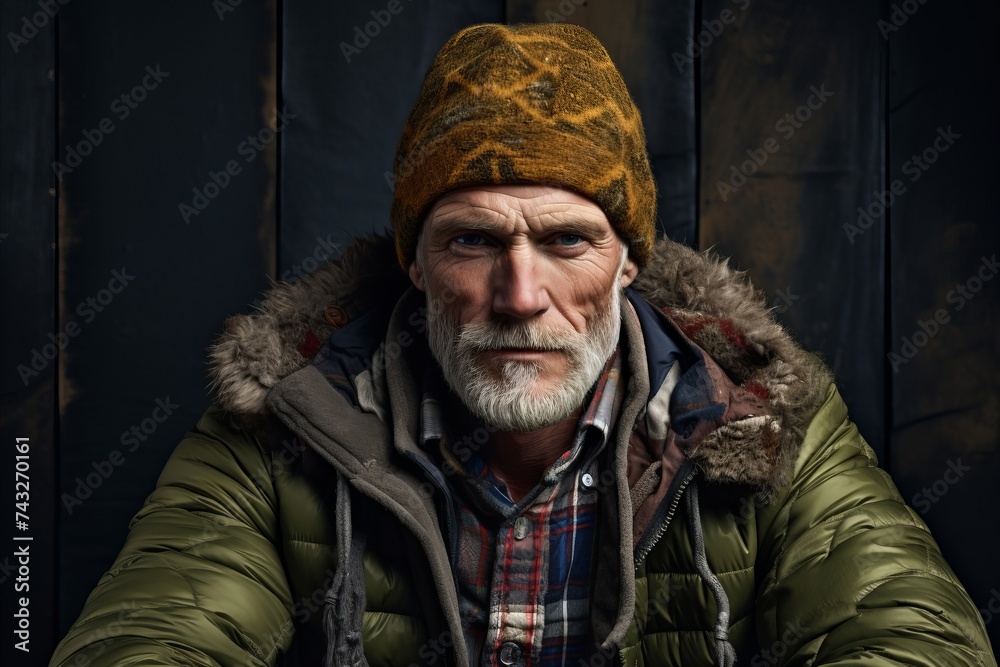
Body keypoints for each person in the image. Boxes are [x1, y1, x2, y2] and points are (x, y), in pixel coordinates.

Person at [50, 22, 994, 667]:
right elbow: (147, 636)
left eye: (566, 239)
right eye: (473, 240)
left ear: (627, 263)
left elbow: (914, 637)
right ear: (415, 264)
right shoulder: (285, 410)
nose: (520, 295)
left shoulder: (755, 413)